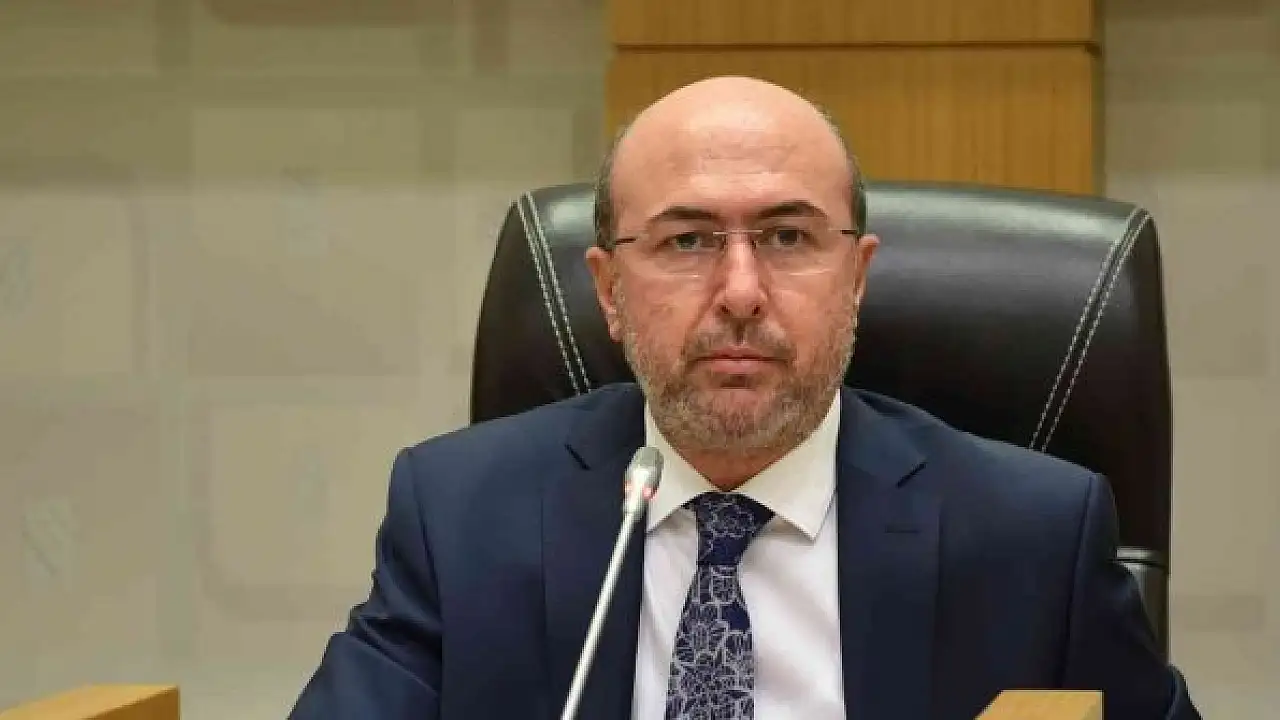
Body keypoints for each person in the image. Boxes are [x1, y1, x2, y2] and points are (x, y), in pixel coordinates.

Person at [289, 76, 1200, 719]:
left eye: (788, 237)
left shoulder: (1033, 537)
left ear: (857, 279)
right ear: (609, 290)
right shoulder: (459, 515)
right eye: (687, 242)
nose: (739, 292)